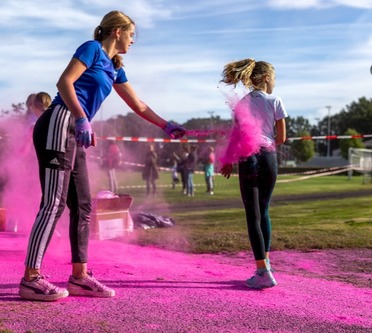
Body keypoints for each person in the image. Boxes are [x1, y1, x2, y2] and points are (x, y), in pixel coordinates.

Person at [20, 10, 186, 302]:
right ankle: (31, 279)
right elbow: (64, 83)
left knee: (83, 206)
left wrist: (166, 125)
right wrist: (82, 117)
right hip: (60, 122)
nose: (134, 41)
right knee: (53, 203)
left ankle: (79, 277)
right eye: (132, 34)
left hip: (76, 129)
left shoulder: (115, 67)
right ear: (117, 32)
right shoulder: (92, 49)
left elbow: (138, 104)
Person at [219, 58, 287, 289]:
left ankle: (262, 271)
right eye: (275, 78)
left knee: (253, 215)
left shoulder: (243, 103)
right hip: (269, 158)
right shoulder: (276, 100)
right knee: (264, 211)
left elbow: (235, 135)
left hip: (248, 159)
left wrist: (227, 161)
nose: (275, 83)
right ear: (267, 78)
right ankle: (266, 264)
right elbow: (282, 138)